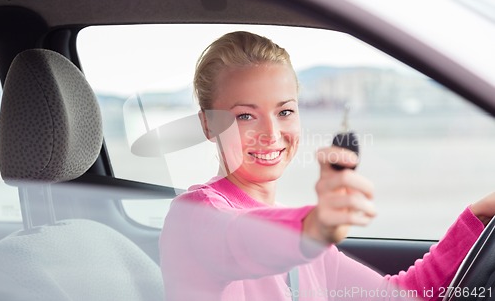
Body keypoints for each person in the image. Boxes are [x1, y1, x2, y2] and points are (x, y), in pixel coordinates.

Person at [159, 31, 494, 301]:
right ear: (208, 126)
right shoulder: (196, 216)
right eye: (245, 116)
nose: (272, 134)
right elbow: (241, 239)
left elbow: (397, 297)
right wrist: (316, 225)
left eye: (285, 111)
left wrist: (477, 217)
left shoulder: (315, 252)